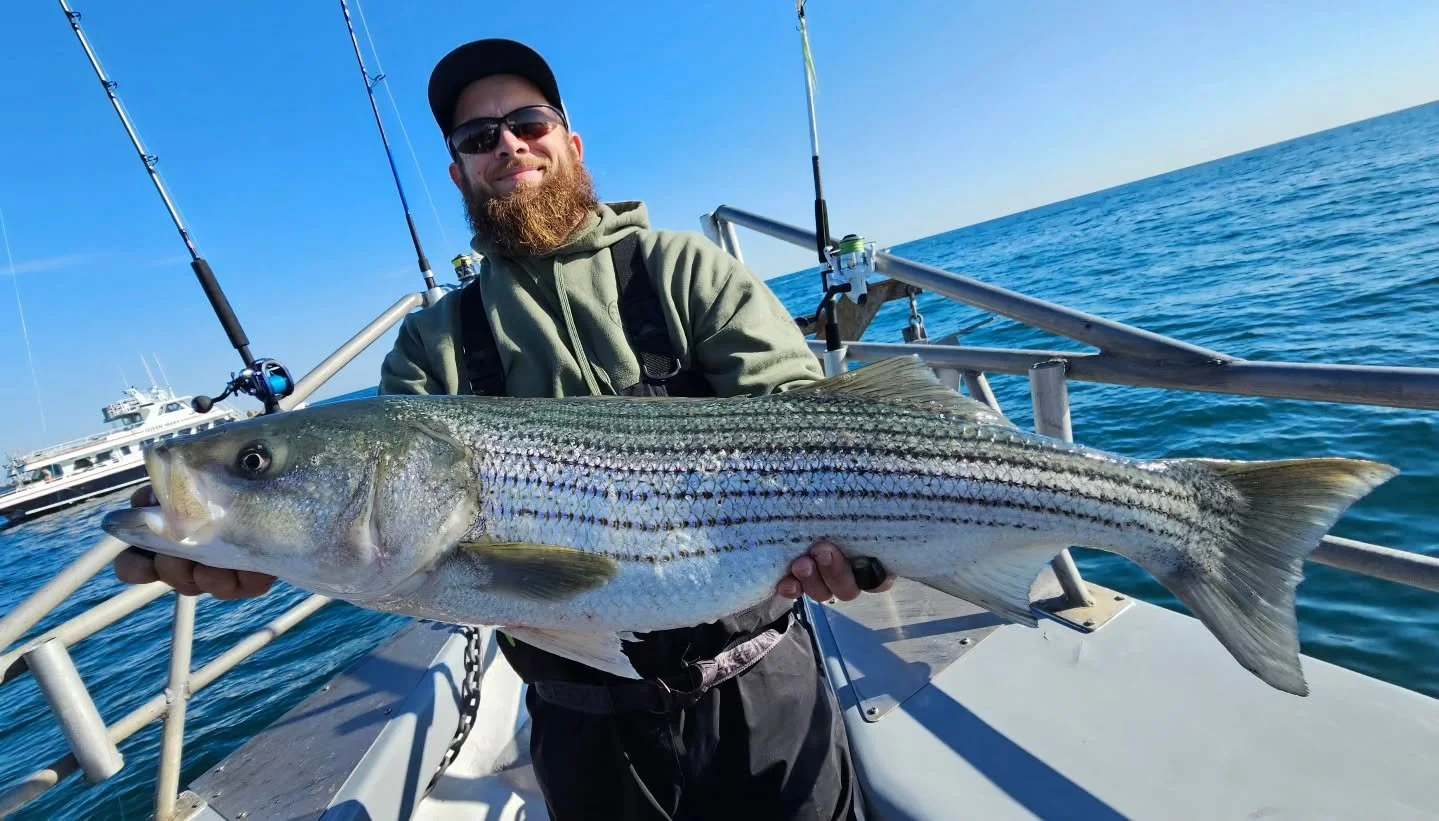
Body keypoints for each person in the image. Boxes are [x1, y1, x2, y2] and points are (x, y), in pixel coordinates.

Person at [114, 37, 893, 821]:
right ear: (459, 173)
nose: (509, 145)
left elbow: (815, 425)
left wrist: (871, 542)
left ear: (570, 143)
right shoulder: (431, 346)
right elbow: (377, 539)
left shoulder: (683, 270)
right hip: (582, 726)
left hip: (762, 682)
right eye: (479, 136)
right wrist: (255, 550)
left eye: (529, 123)